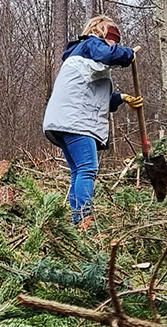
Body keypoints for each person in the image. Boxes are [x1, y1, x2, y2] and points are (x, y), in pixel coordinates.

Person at [41, 17, 142, 227]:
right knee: (87, 169)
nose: (113, 44)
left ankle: (77, 222)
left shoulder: (83, 56)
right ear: (103, 34)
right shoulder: (90, 43)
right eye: (113, 40)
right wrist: (128, 54)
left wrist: (122, 98)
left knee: (78, 172)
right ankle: (85, 220)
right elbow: (108, 54)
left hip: (63, 120)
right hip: (75, 121)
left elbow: (96, 98)